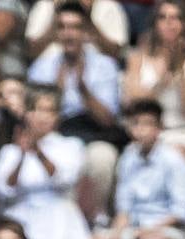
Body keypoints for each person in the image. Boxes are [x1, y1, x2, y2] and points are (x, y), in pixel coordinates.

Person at [0, 84, 101, 239]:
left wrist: (38, 150)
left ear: (57, 117)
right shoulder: (10, 151)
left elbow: (64, 178)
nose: (42, 116)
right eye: (37, 110)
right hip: (21, 218)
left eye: (49, 111)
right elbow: (4, 188)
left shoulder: (70, 146)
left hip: (59, 216)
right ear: (27, 114)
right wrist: (22, 153)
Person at [27, 1, 124, 211]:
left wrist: (83, 89)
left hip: (92, 133)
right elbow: (35, 118)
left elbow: (108, 120)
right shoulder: (42, 66)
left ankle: (95, 218)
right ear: (56, 33)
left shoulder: (105, 65)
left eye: (75, 27)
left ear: (86, 32)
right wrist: (57, 93)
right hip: (56, 134)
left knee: (102, 157)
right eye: (62, 27)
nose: (68, 34)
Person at [122, 0, 185, 183]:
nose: (169, 23)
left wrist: (180, 70)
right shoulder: (137, 59)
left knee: (174, 155)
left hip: (184, 135)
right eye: (163, 17)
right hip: (145, 134)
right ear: (155, 23)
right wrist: (161, 82)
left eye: (176, 18)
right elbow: (133, 104)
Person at [104, 98, 185, 239]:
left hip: (166, 230)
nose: (140, 130)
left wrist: (147, 231)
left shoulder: (174, 160)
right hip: (134, 229)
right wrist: (114, 237)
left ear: (159, 128)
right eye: (136, 123)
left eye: (147, 124)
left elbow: (180, 214)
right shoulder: (128, 158)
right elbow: (123, 210)